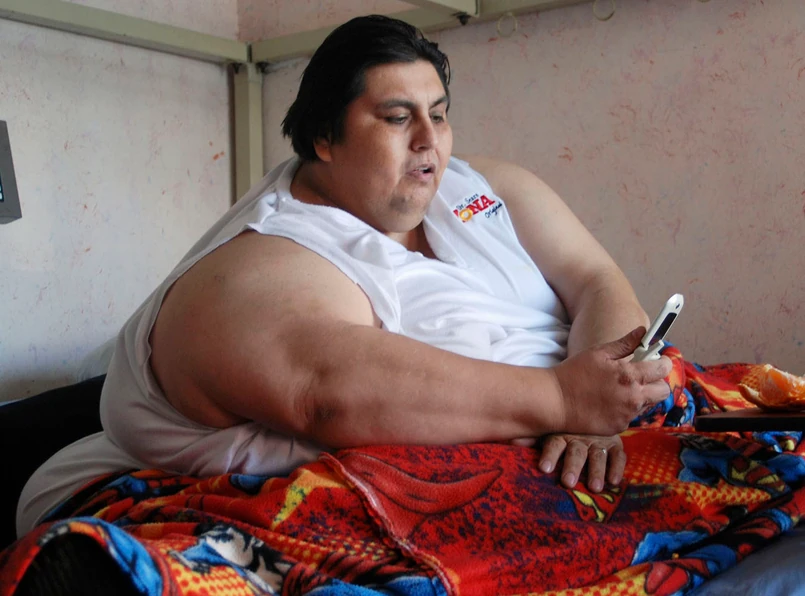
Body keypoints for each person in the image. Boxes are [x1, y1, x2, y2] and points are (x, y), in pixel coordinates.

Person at [17, 14, 672, 538]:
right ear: (323, 138)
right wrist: (562, 399)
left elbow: (594, 277)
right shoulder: (267, 260)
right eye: (397, 117)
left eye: (439, 113)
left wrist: (595, 408)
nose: (429, 139)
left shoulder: (485, 186)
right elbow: (325, 390)